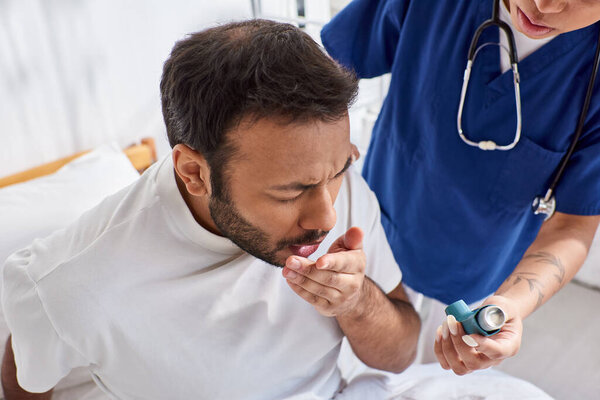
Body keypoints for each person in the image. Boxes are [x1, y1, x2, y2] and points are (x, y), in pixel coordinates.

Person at [0, 20, 421, 400]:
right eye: (290, 192)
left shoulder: (329, 179)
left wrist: (357, 302)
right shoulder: (73, 282)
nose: (326, 218)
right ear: (194, 172)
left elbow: (402, 354)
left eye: (339, 171)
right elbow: (25, 373)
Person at [321, 0, 600, 374]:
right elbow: (329, 68)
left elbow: (573, 225)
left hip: (474, 284)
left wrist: (509, 307)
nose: (545, 4)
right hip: (366, 238)